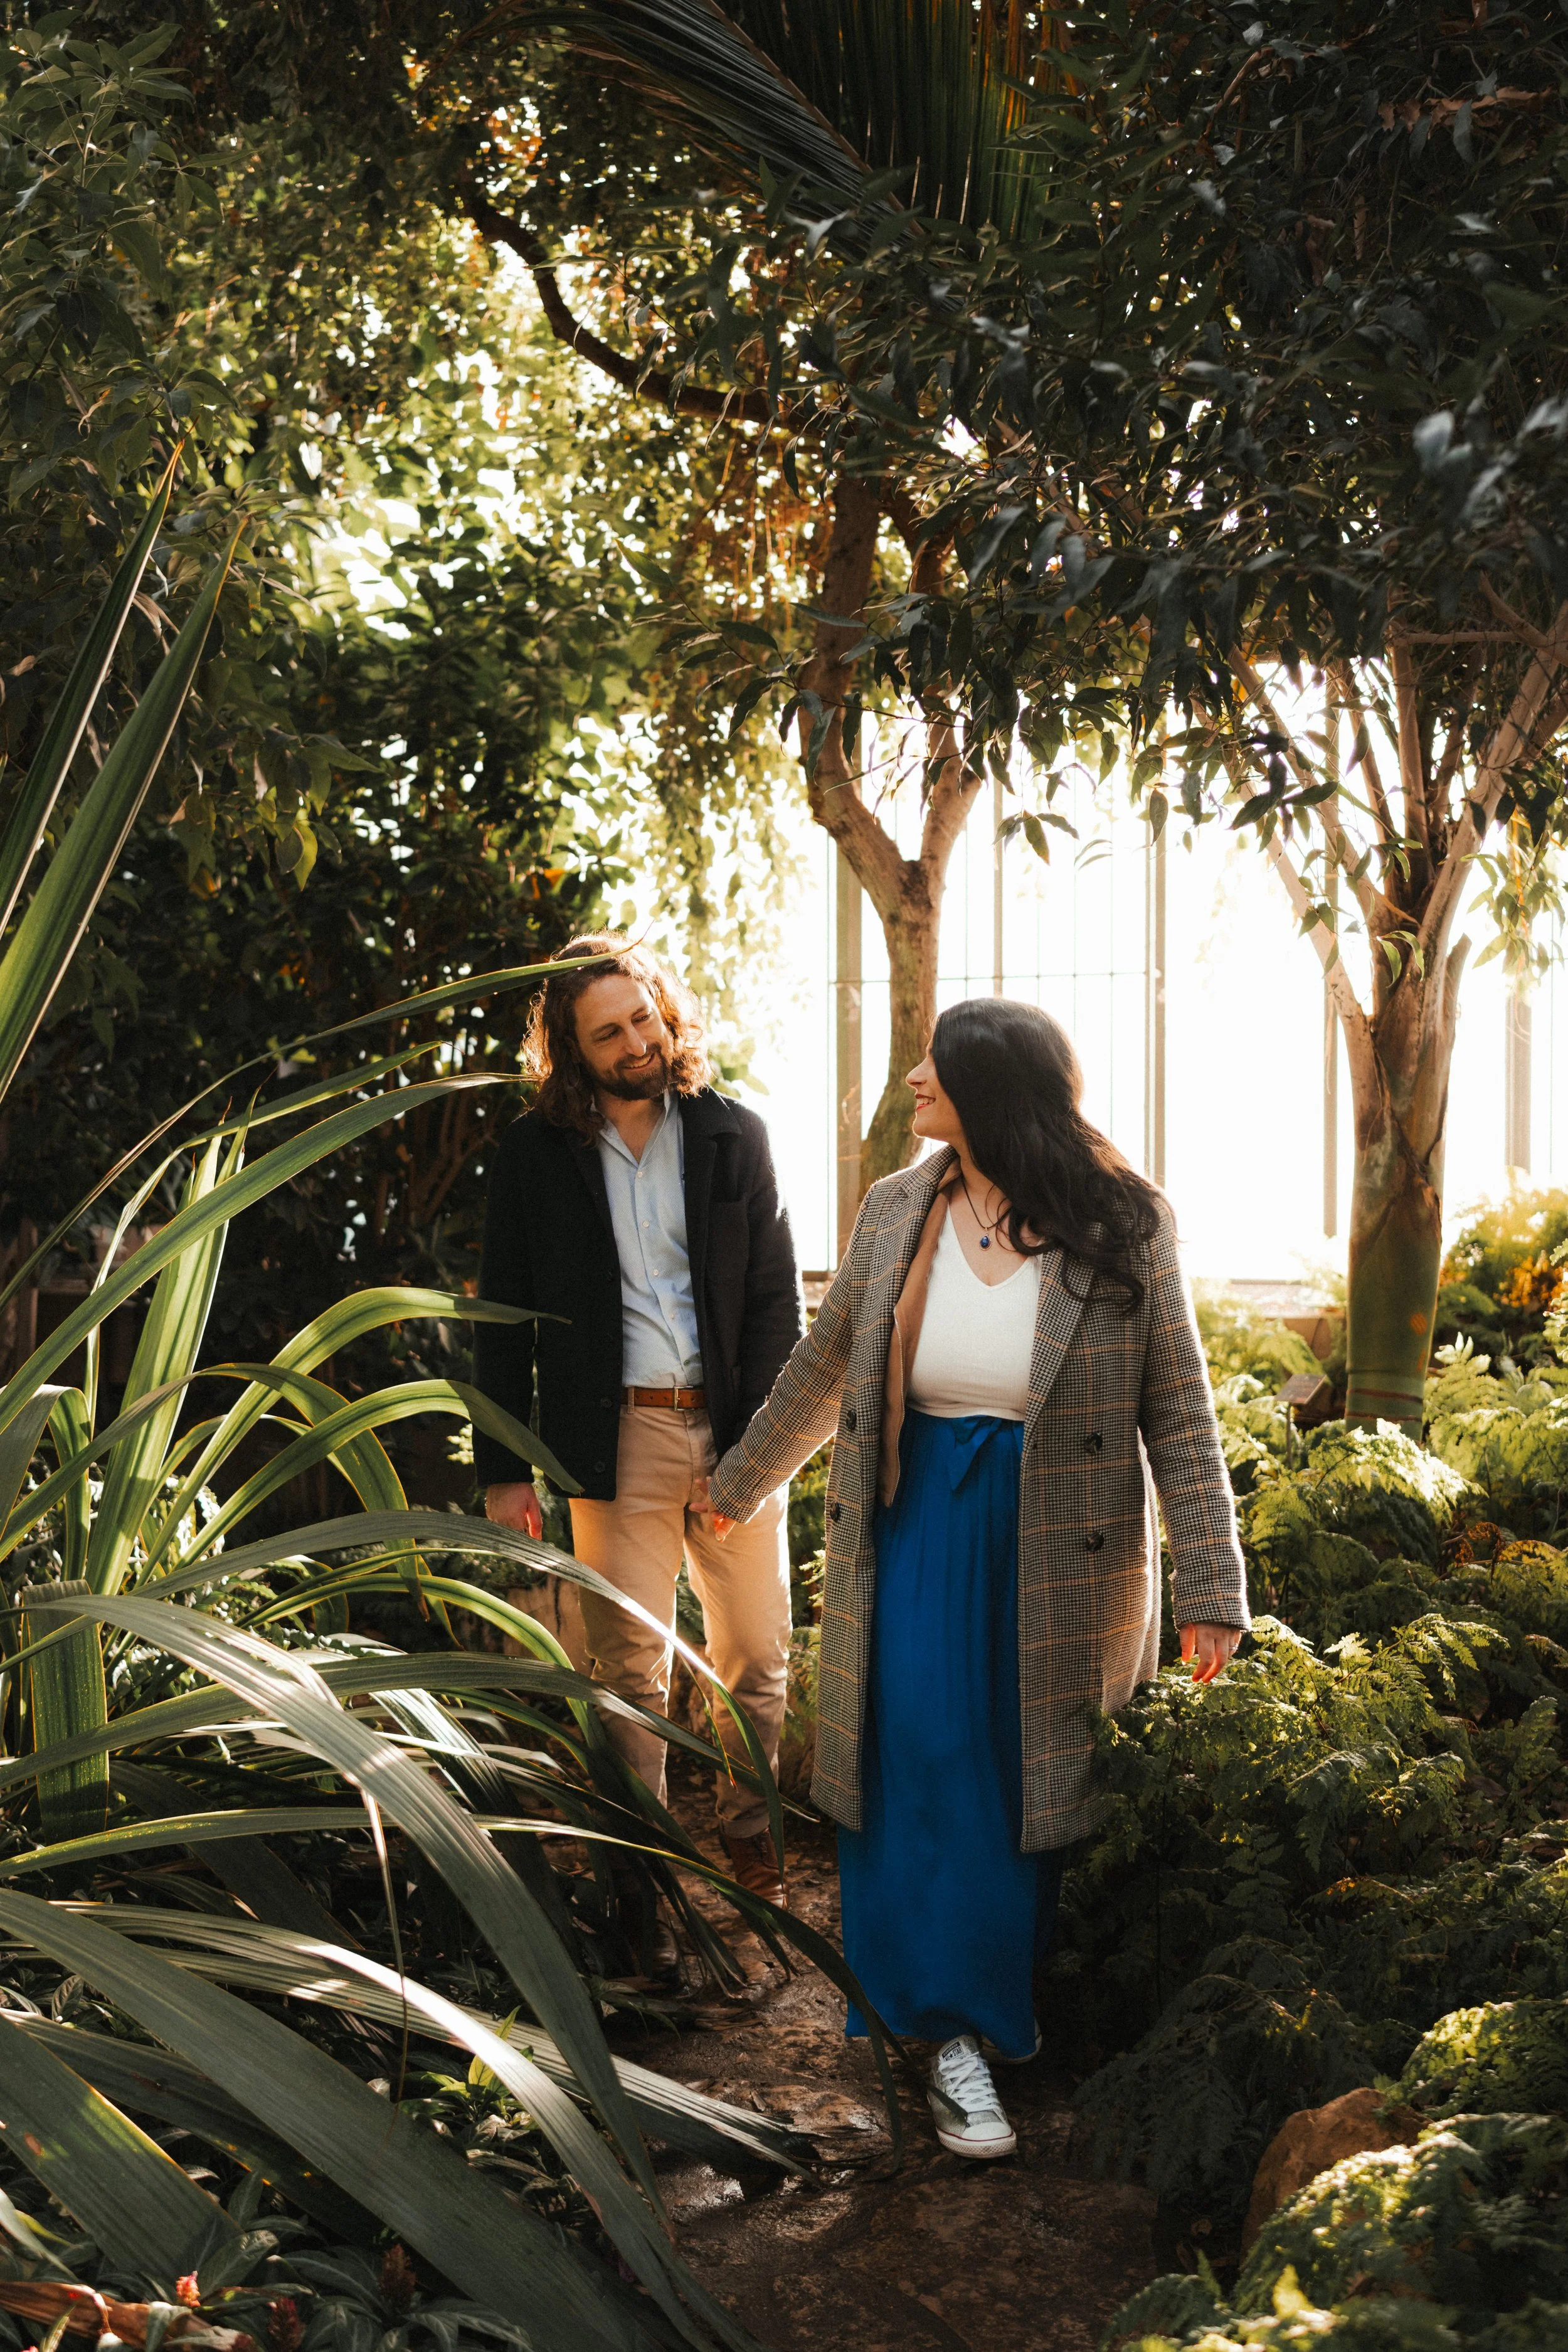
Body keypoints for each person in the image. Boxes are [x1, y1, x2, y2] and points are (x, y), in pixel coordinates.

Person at [708, 997, 1248, 2158]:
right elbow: (824, 1361)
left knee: (1020, 1774)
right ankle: (951, 2033)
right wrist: (739, 1480)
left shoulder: (1125, 1220)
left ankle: (993, 2001)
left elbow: (1180, 1408)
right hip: (913, 1519)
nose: (915, 1078)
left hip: (1060, 1542)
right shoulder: (896, 1207)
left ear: (992, 1092)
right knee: (920, 1753)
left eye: (937, 1065)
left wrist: (1213, 1588)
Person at [474, 934, 803, 1961]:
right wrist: (502, 1468)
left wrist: (755, 1448)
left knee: (757, 1657)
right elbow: (502, 1314)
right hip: (612, 1438)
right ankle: (642, 1894)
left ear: (667, 1014)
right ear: (571, 1050)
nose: (635, 1043)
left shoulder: (733, 1135)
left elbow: (775, 1304)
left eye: (644, 1019)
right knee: (627, 1676)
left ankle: (751, 1845)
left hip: (737, 1428)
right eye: (608, 1032)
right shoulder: (533, 1155)